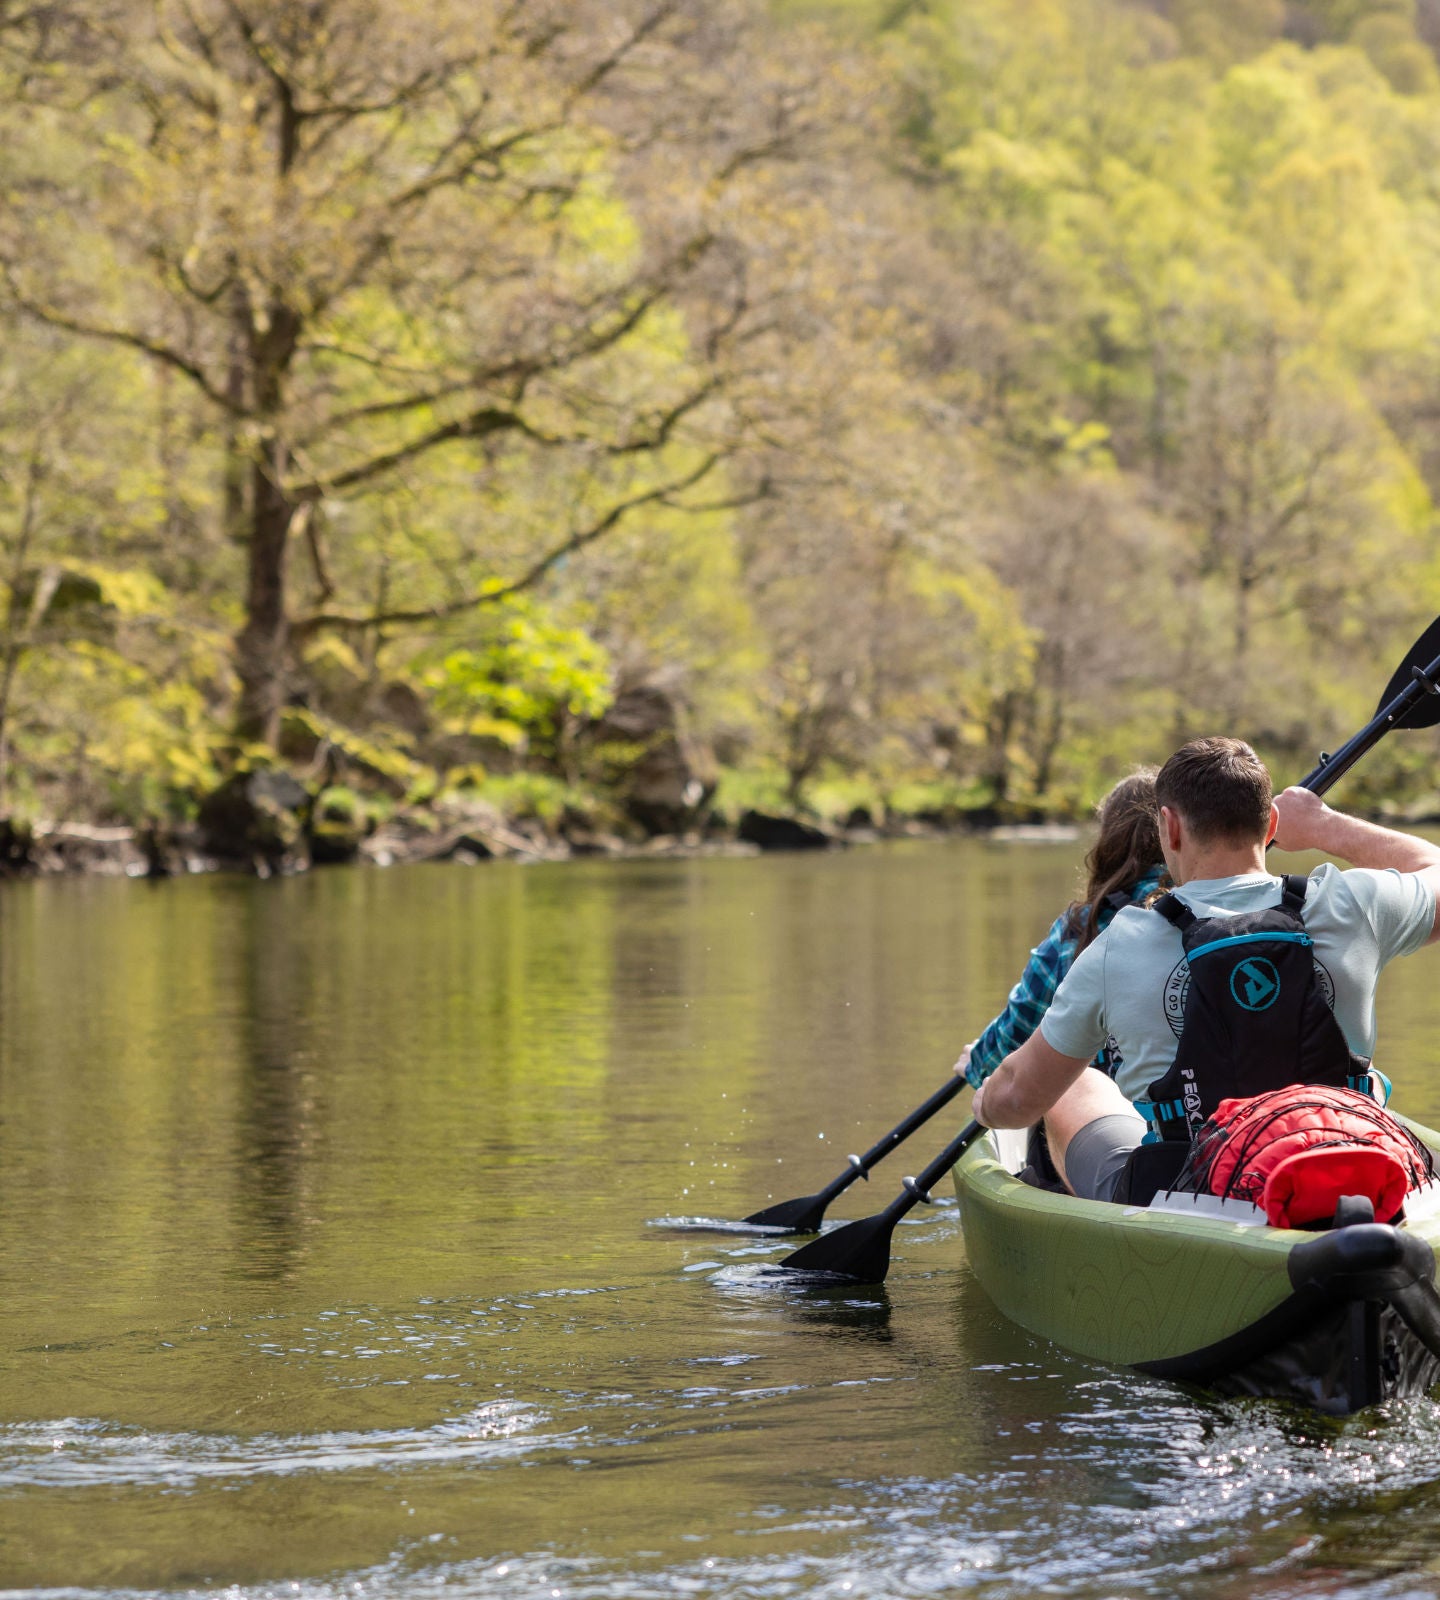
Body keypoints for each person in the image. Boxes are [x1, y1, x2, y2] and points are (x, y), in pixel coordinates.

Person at [970, 736, 1440, 1203]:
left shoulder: (1120, 944)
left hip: (1187, 1190)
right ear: (1271, 823)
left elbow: (1018, 1099)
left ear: (1169, 828)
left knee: (1084, 1082)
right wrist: (1324, 826)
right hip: (1349, 1161)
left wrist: (986, 1103)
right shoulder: (1354, 904)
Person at [956, 770, 1167, 1089]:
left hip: (1106, 1108)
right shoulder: (1202, 906)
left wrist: (977, 1063)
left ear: (1110, 840)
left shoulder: (1087, 924)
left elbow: (1025, 1020)